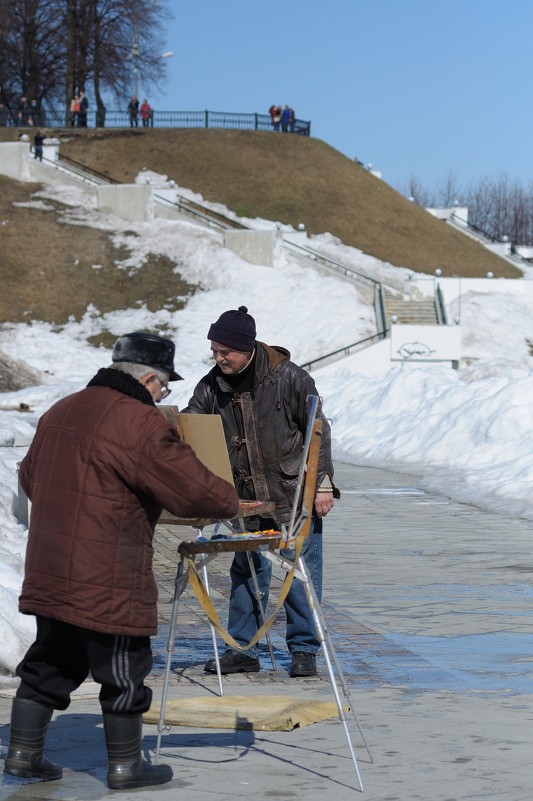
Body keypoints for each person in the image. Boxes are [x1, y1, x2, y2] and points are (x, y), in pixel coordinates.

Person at [3, 332, 239, 790]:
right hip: (107, 570)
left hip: (52, 566)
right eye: (165, 387)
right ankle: (127, 766)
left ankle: (22, 754)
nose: (163, 395)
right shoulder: (139, 422)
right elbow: (194, 490)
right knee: (124, 667)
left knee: (50, 662)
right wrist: (230, 501)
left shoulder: (62, 409)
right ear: (150, 378)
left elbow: (30, 477)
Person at [183, 307, 338, 678]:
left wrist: (323, 484)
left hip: (292, 493)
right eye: (214, 351)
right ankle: (244, 649)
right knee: (246, 572)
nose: (219, 358)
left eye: (226, 352)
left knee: (299, 573)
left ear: (247, 347)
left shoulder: (290, 379)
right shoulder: (210, 385)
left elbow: (318, 430)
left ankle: (304, 650)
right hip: (245, 497)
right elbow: (191, 425)